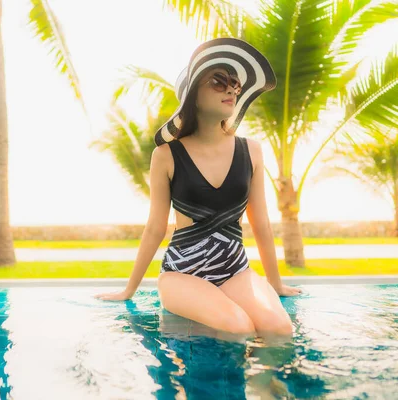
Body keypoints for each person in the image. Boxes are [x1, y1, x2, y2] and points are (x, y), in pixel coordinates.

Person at [96, 37, 303, 339]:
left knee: (279, 328)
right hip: (182, 276)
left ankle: (267, 385)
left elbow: (261, 224)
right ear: (193, 96)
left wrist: (275, 283)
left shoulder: (252, 151)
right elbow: (155, 227)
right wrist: (129, 290)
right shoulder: (166, 155)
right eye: (219, 82)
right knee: (238, 326)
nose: (231, 89)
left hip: (235, 271)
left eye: (234, 83)